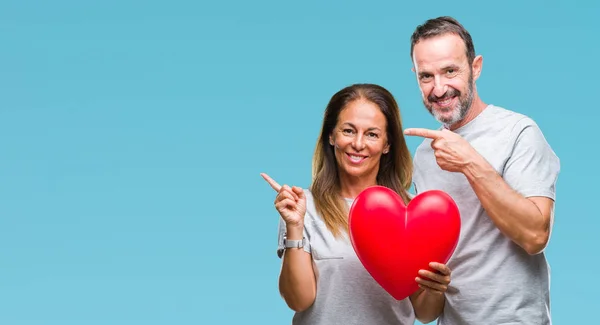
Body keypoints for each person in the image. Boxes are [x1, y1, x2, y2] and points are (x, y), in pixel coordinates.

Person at [403, 16, 561, 325]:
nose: (438, 88)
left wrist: (470, 162)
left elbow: (535, 234)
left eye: (450, 71)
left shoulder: (519, 131)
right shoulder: (423, 155)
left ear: (475, 67)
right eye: (426, 76)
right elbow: (427, 300)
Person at [261, 83, 453, 324]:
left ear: (387, 144)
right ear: (331, 136)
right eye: (349, 131)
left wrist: (435, 289)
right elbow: (298, 300)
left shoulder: (413, 216)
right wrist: (295, 227)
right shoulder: (302, 208)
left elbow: (425, 314)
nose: (359, 144)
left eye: (372, 134)